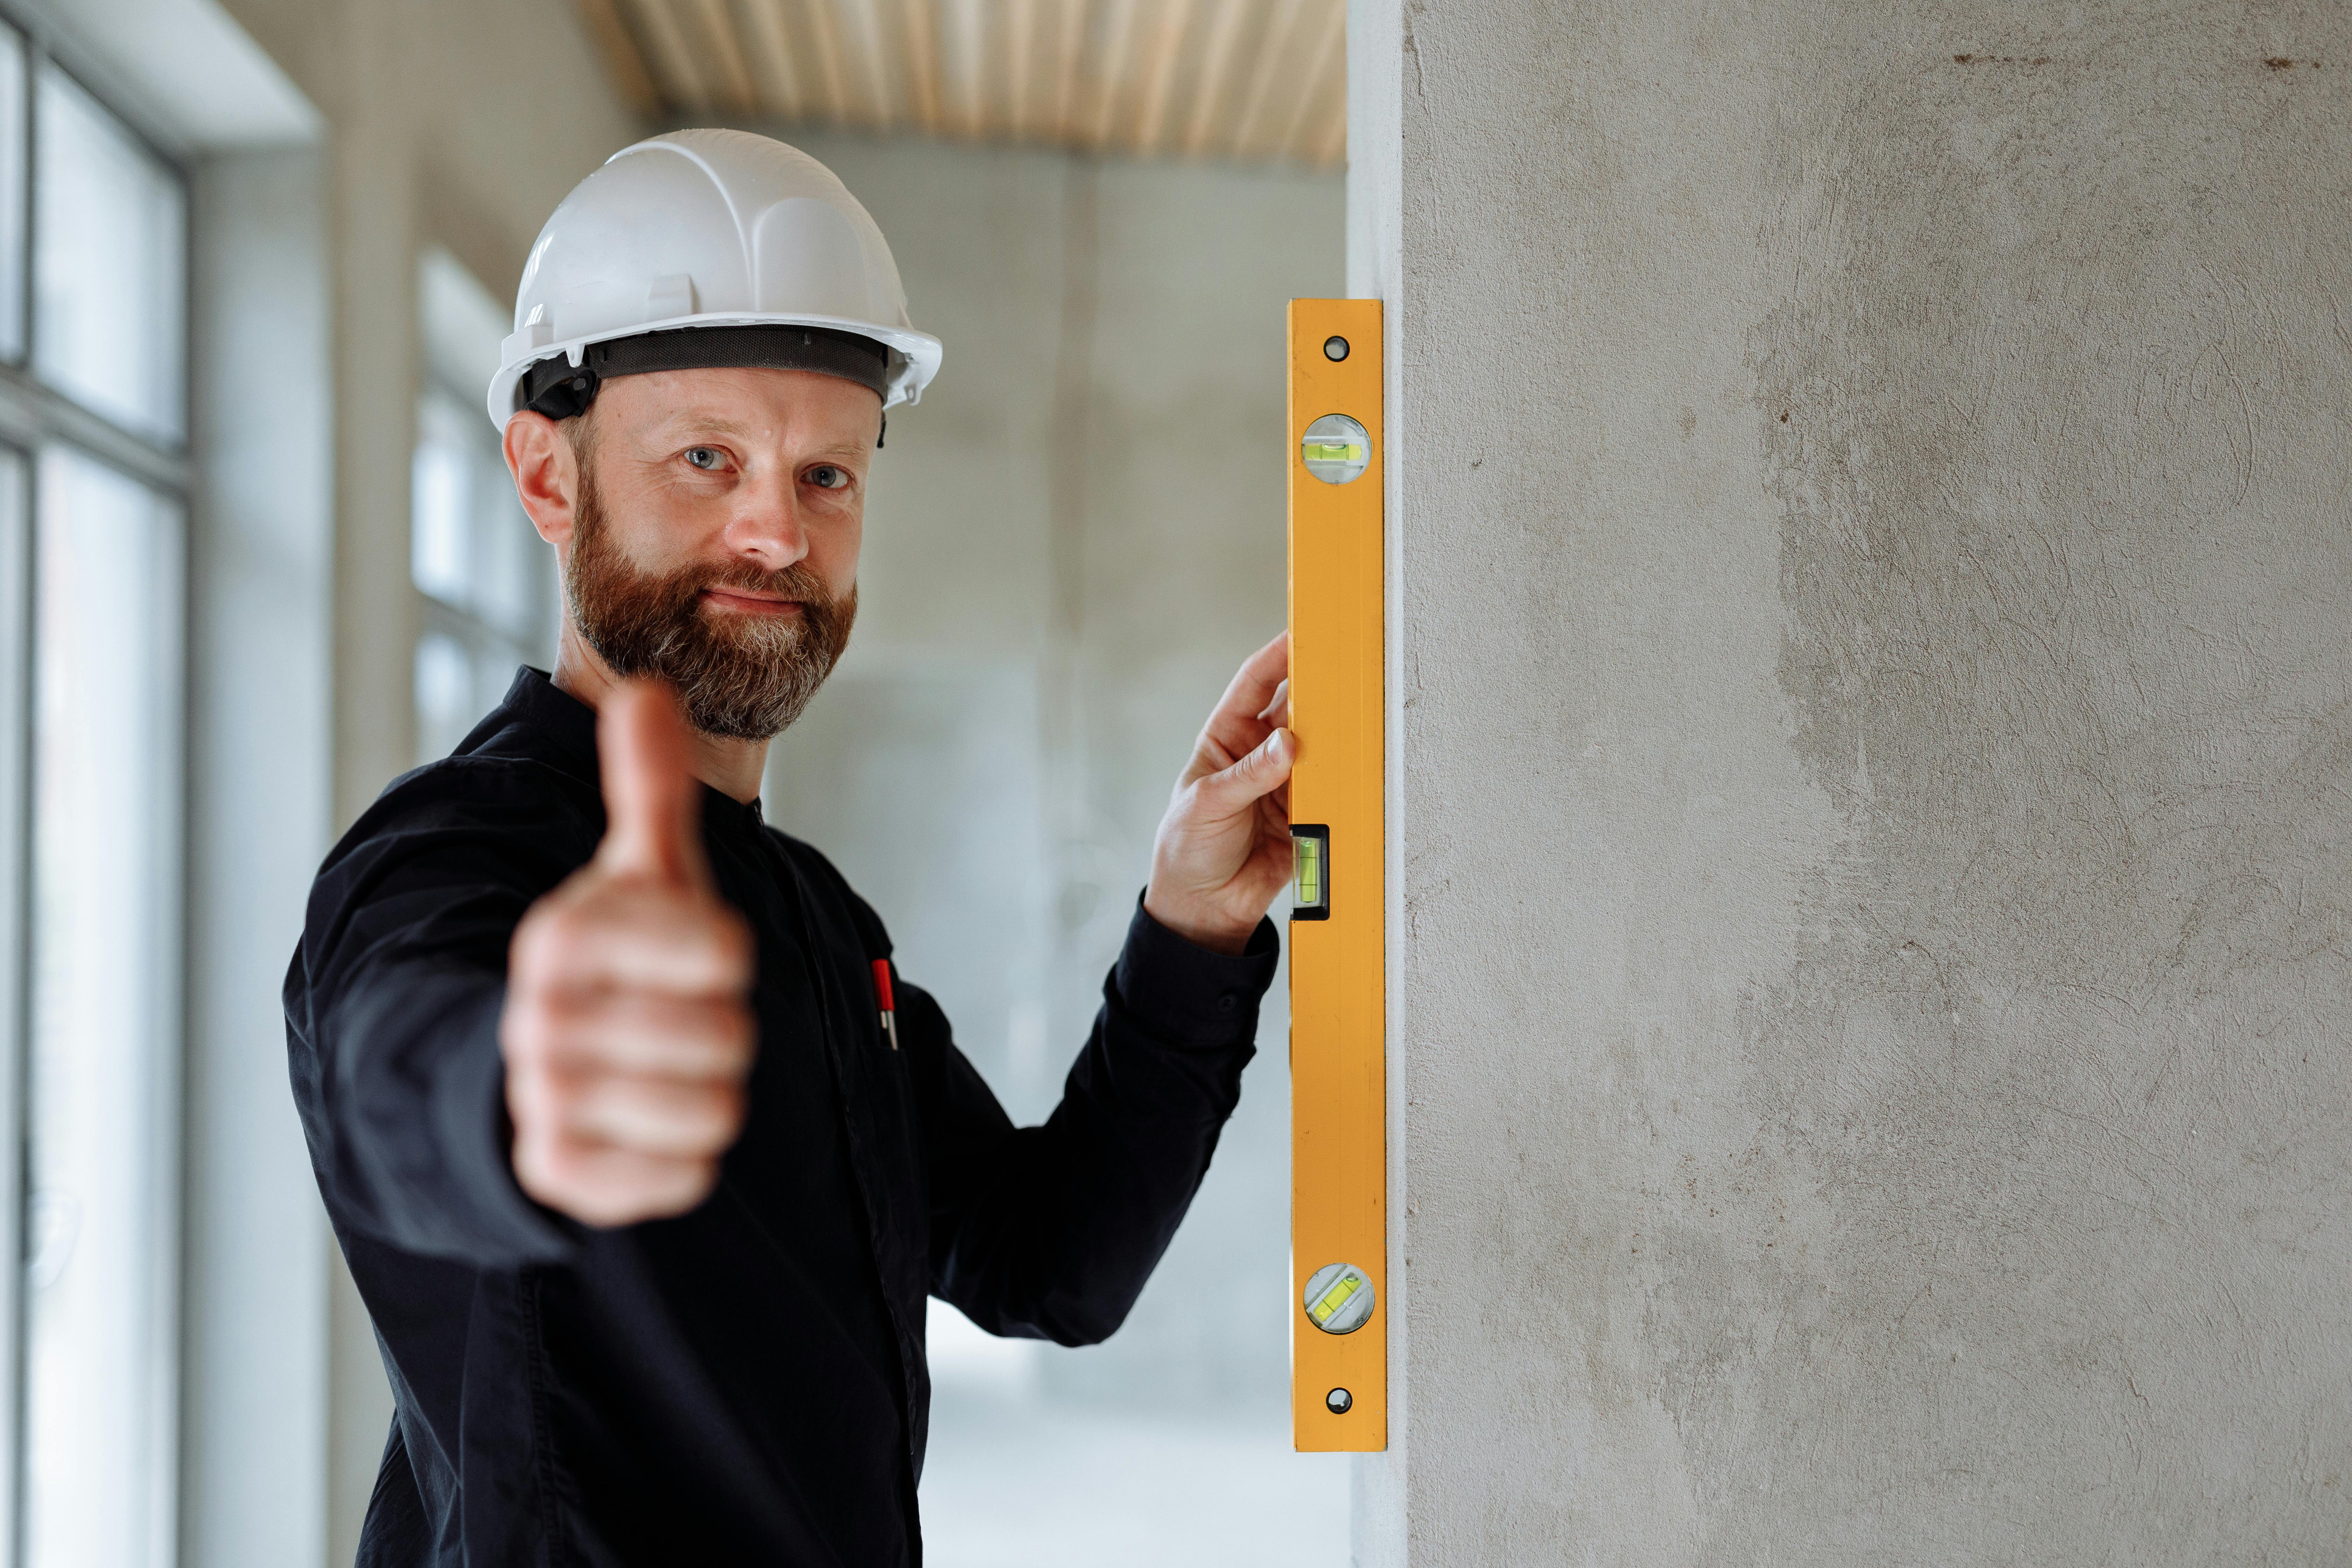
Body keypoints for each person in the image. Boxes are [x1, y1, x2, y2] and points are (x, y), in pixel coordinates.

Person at [284, 130, 1297, 1566]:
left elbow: (1051, 1260)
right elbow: (397, 1057)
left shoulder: (823, 925)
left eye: (827, 474)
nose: (776, 529)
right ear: (546, 475)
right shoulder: (455, 854)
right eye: (707, 458)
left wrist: (1193, 931)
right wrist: (525, 1085)